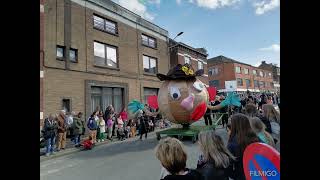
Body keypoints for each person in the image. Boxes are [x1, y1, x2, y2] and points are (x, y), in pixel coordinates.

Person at [227, 114, 260, 180]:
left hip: (241, 175)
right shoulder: (255, 137)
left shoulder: (232, 143)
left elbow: (228, 166)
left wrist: (235, 175)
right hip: (256, 173)